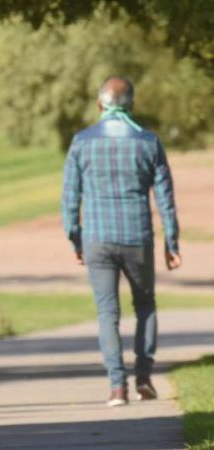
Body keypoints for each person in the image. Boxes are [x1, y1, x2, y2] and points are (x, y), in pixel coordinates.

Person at [62, 76, 181, 407]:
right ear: (132, 105)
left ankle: (117, 387)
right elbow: (165, 199)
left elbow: (70, 199)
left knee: (107, 313)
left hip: (97, 238)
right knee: (145, 306)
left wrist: (76, 240)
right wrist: (172, 242)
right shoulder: (148, 143)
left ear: (100, 105)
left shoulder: (82, 143)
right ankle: (143, 377)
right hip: (137, 237)